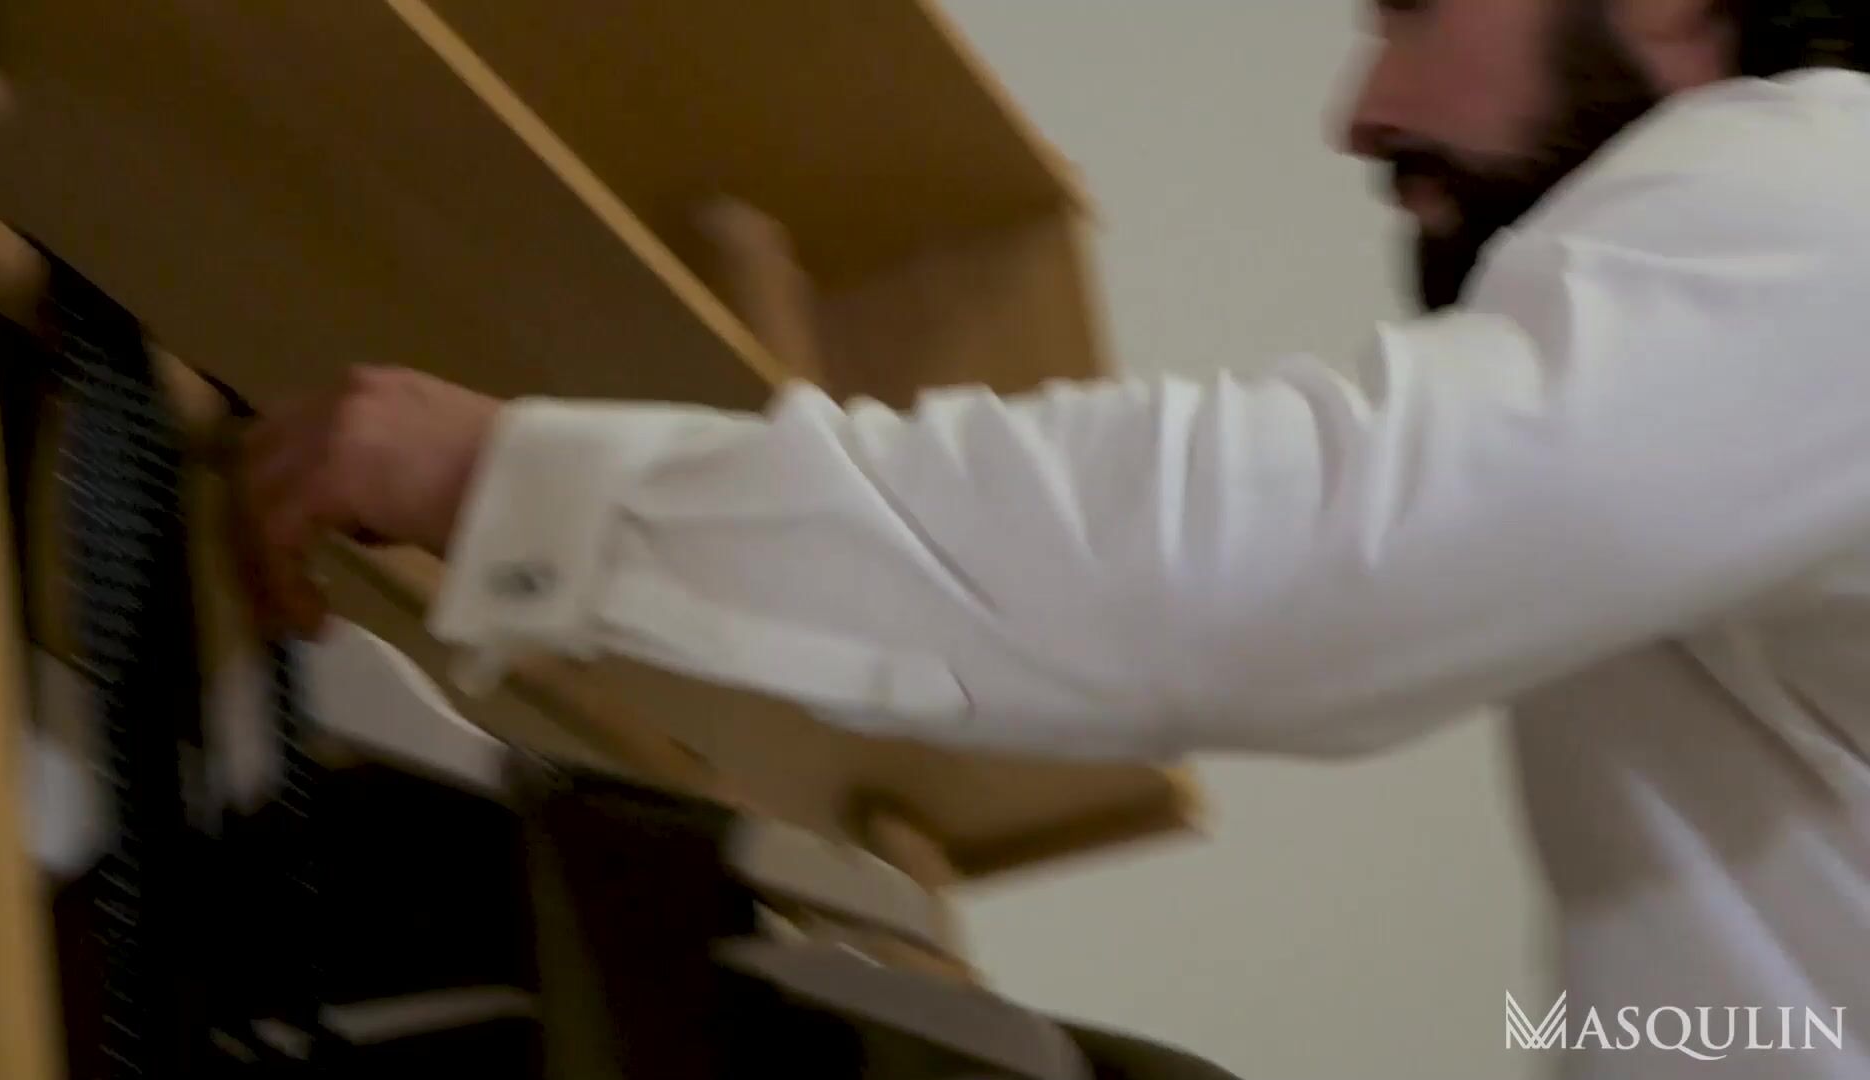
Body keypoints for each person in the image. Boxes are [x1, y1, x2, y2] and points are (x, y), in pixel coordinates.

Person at [238, 2, 1870, 1076]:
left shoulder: (1825, 194)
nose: (1359, 114)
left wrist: (523, 487)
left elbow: (1283, 554)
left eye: (1415, 6)